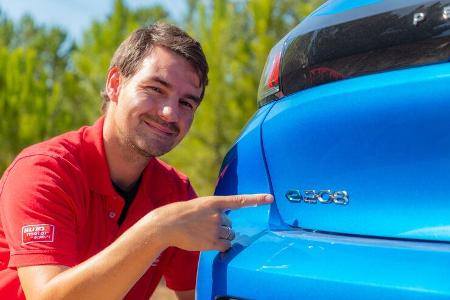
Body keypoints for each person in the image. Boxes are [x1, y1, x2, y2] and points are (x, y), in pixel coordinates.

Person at [0, 22, 273, 299]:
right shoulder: (45, 172)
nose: (169, 113)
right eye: (155, 89)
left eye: (186, 103)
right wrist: (158, 229)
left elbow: (197, 293)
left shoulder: (173, 194)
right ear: (115, 84)